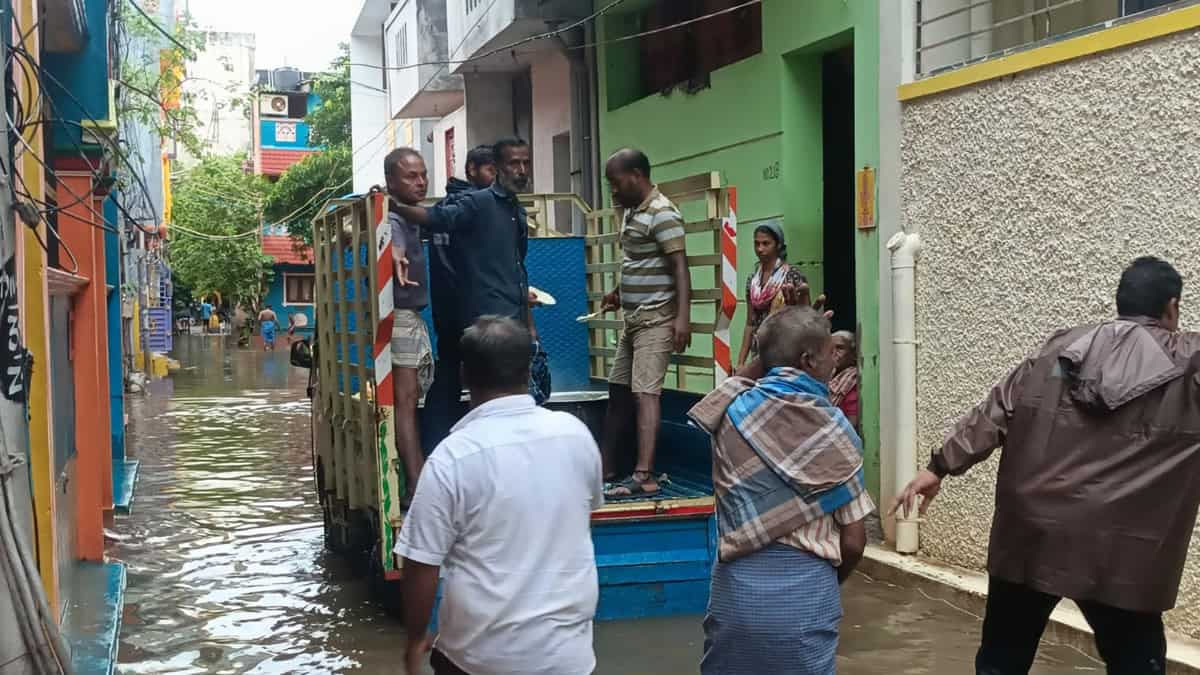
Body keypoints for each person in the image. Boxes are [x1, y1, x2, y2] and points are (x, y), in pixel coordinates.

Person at [893, 256, 1200, 675]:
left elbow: (996, 410)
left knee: (1002, 661)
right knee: (1135, 662)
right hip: (1119, 553)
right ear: (1173, 307)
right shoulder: (1189, 363)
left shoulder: (1060, 351)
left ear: (1121, 302)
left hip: (1030, 534)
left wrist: (939, 467)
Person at [396, 316, 602, 675]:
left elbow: (420, 564)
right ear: (527, 370)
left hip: (480, 661)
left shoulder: (451, 458)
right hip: (569, 660)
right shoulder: (576, 435)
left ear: (463, 375)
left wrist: (414, 641)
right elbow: (582, 519)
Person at [690, 306, 872, 675]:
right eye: (828, 352)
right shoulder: (835, 432)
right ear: (807, 360)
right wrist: (826, 583)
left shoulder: (729, 414)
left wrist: (772, 345)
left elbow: (732, 386)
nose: (834, 362)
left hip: (735, 594)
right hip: (806, 596)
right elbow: (853, 542)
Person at [389, 138, 551, 406]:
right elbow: (436, 219)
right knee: (491, 397)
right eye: (514, 163)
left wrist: (530, 326)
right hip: (485, 325)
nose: (522, 170)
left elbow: (518, 270)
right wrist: (395, 208)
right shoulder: (477, 203)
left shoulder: (517, 211)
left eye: (526, 163)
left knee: (515, 397)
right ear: (498, 167)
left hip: (514, 322)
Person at [599, 148, 691, 498]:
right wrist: (618, 292)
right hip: (633, 319)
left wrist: (682, 318)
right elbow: (637, 262)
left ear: (636, 175)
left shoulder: (662, 213)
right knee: (618, 389)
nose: (613, 190)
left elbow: (679, 269)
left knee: (645, 393)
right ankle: (605, 468)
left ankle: (644, 475)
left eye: (616, 182)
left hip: (656, 319)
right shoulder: (632, 211)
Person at [425, 145, 497, 446]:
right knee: (485, 377)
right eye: (491, 170)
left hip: (453, 307)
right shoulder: (467, 209)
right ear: (472, 170)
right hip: (467, 308)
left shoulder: (454, 207)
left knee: (451, 373)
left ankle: (437, 442)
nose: (496, 177)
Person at [384, 147, 435, 502]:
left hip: (409, 317)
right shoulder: (393, 219)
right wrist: (397, 257)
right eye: (411, 176)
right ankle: (416, 483)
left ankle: (417, 479)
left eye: (423, 174)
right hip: (402, 318)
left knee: (410, 399)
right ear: (391, 181)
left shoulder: (406, 214)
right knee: (406, 400)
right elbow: (395, 244)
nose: (421, 182)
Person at [735, 222, 813, 368]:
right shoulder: (753, 281)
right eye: (756, 244)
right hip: (759, 352)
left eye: (766, 243)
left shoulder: (792, 276)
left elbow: (806, 317)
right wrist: (740, 362)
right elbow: (750, 323)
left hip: (786, 351)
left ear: (778, 245)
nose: (760, 249)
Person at [829, 330, 860, 429]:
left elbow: (852, 423)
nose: (834, 353)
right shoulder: (828, 376)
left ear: (853, 354)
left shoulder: (852, 379)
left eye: (840, 348)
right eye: (830, 349)